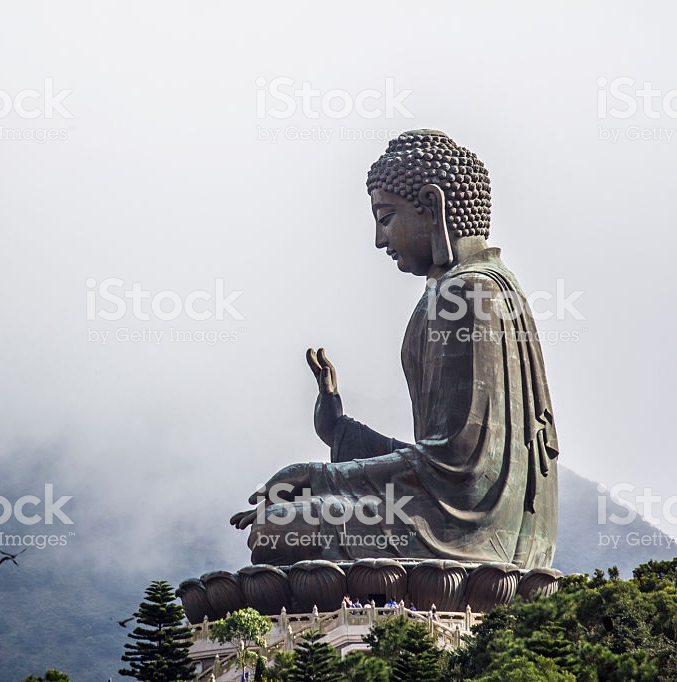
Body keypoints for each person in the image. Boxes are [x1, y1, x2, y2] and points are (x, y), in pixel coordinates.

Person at [231, 130, 559, 570]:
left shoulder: (464, 293)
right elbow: (443, 456)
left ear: (433, 204)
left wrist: (317, 477)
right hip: (485, 531)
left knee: (279, 530)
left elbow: (456, 469)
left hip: (466, 534)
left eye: (385, 218)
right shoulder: (488, 286)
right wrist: (340, 431)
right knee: (282, 524)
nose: (379, 240)